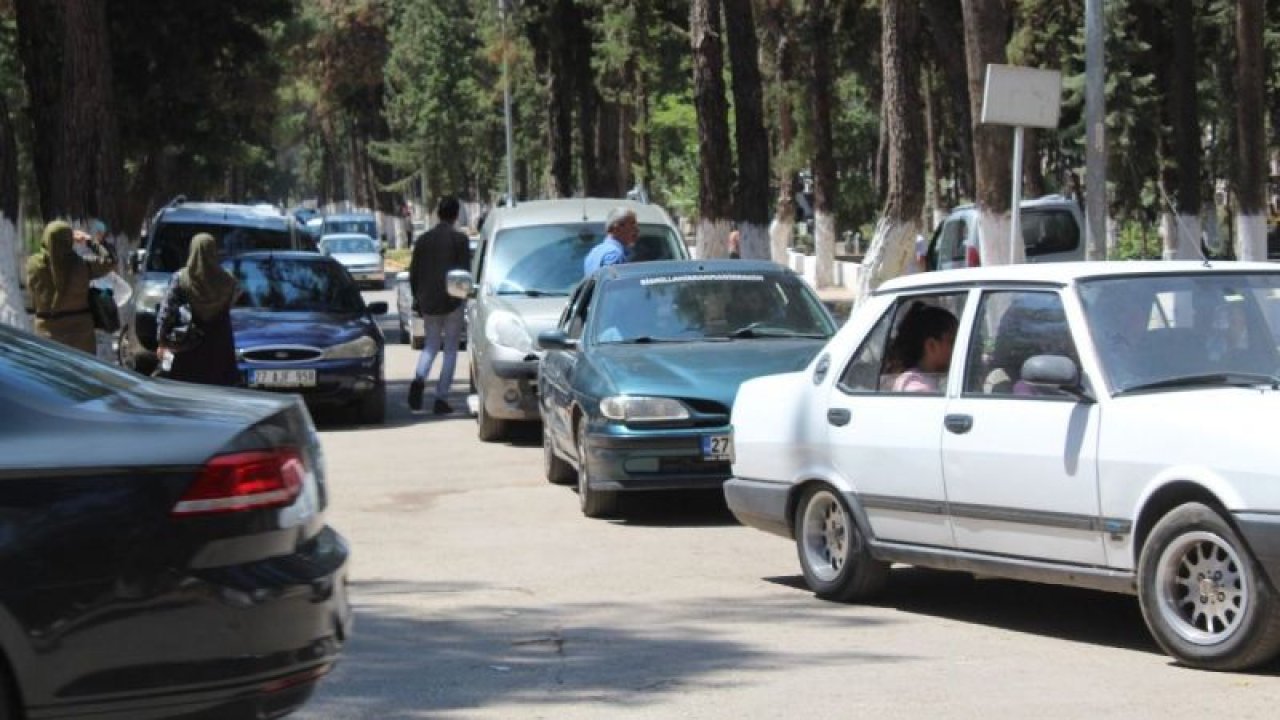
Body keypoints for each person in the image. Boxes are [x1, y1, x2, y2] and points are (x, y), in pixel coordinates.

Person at [409, 196, 471, 414]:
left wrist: (417, 299)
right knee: (451, 350)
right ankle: (440, 398)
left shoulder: (423, 240)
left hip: (427, 302)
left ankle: (419, 378)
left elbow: (413, 273)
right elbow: (465, 274)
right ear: (455, 215)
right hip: (452, 301)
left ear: (437, 213)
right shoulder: (460, 240)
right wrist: (465, 296)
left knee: (431, 344)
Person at [155, 233, 240, 386]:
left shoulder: (181, 279)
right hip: (220, 349)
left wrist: (162, 341)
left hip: (188, 348)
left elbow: (166, 312)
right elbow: (232, 303)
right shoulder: (228, 280)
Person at [26, 220, 115, 354]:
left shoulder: (33, 265)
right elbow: (110, 260)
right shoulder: (82, 266)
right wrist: (89, 241)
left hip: (46, 335)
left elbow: (32, 295)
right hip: (80, 338)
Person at [887, 303, 959, 393]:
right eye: (952, 342)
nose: (958, 349)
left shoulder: (930, 381)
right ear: (931, 346)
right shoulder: (915, 387)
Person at [583, 207, 639, 276]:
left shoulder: (594, 251)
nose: (637, 229)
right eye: (632, 224)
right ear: (617, 228)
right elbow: (614, 285)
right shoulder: (614, 254)